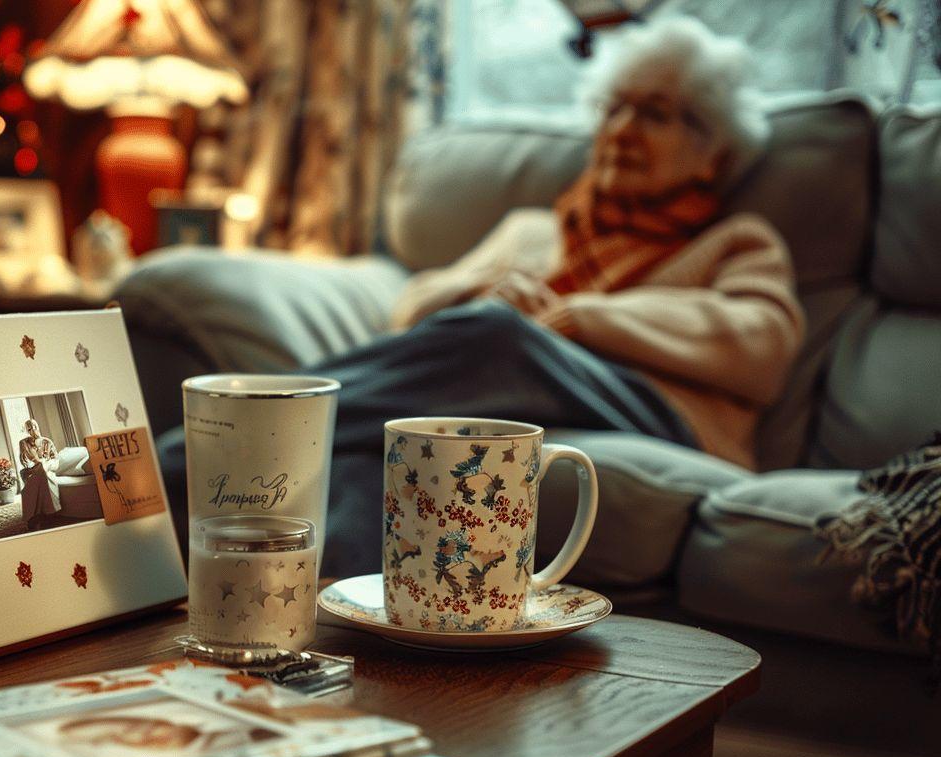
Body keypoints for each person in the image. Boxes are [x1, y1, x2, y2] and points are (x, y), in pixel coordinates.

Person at [162, 17, 804, 577]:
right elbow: (413, 311)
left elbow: (761, 345)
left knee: (502, 337)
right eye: (615, 109)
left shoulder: (736, 243)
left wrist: (584, 321)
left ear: (712, 154)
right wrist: (480, 289)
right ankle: (329, 633)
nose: (624, 129)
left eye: (655, 115)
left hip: (655, 415)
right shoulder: (536, 229)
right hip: (499, 400)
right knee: (375, 445)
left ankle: (216, 440)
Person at [19, 419, 61, 531]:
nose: (33, 429)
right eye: (29, 428)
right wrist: (41, 463)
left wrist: (46, 465)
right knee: (41, 469)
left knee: (44, 470)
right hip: (33, 471)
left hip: (48, 469)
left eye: (34, 426)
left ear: (38, 426)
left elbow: (56, 460)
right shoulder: (24, 443)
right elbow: (29, 460)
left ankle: (33, 516)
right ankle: (50, 513)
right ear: (27, 431)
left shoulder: (48, 442)